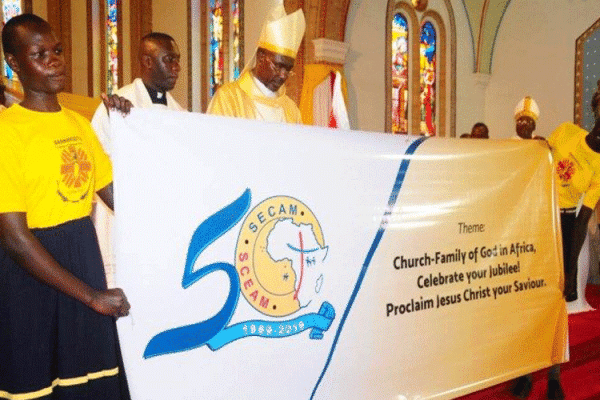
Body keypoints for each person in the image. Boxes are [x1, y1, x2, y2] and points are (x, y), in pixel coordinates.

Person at [0, 14, 132, 399]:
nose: (54, 60)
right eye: (40, 54)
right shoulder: (9, 132)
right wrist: (92, 297)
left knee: (90, 384)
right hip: (33, 274)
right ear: (14, 63)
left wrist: (129, 126)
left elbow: (123, 200)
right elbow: (14, 239)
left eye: (57, 51)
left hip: (83, 258)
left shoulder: (79, 124)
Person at [512, 90, 600, 400]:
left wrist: (571, 267)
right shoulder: (566, 131)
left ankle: (553, 374)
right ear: (595, 109)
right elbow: (538, 160)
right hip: (536, 214)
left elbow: (581, 219)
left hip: (564, 223)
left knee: (557, 303)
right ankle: (524, 369)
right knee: (530, 296)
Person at [207, 4, 305, 123]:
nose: (283, 75)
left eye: (288, 70)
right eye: (278, 66)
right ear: (261, 56)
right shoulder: (229, 98)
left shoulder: (291, 110)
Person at [91, 32, 183, 155]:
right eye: (169, 59)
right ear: (148, 62)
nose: (177, 67)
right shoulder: (115, 106)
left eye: (177, 60)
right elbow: (97, 153)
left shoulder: (180, 112)